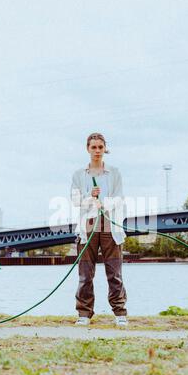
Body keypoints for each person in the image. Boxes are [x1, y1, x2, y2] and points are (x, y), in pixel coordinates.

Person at [70, 132, 128, 327]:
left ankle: (120, 313)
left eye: (100, 147)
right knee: (85, 274)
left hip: (110, 228)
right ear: (88, 149)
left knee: (115, 273)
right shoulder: (79, 175)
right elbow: (76, 200)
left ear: (105, 149)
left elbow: (120, 197)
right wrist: (90, 195)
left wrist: (105, 204)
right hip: (88, 229)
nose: (97, 151)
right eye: (93, 147)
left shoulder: (115, 173)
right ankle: (84, 314)